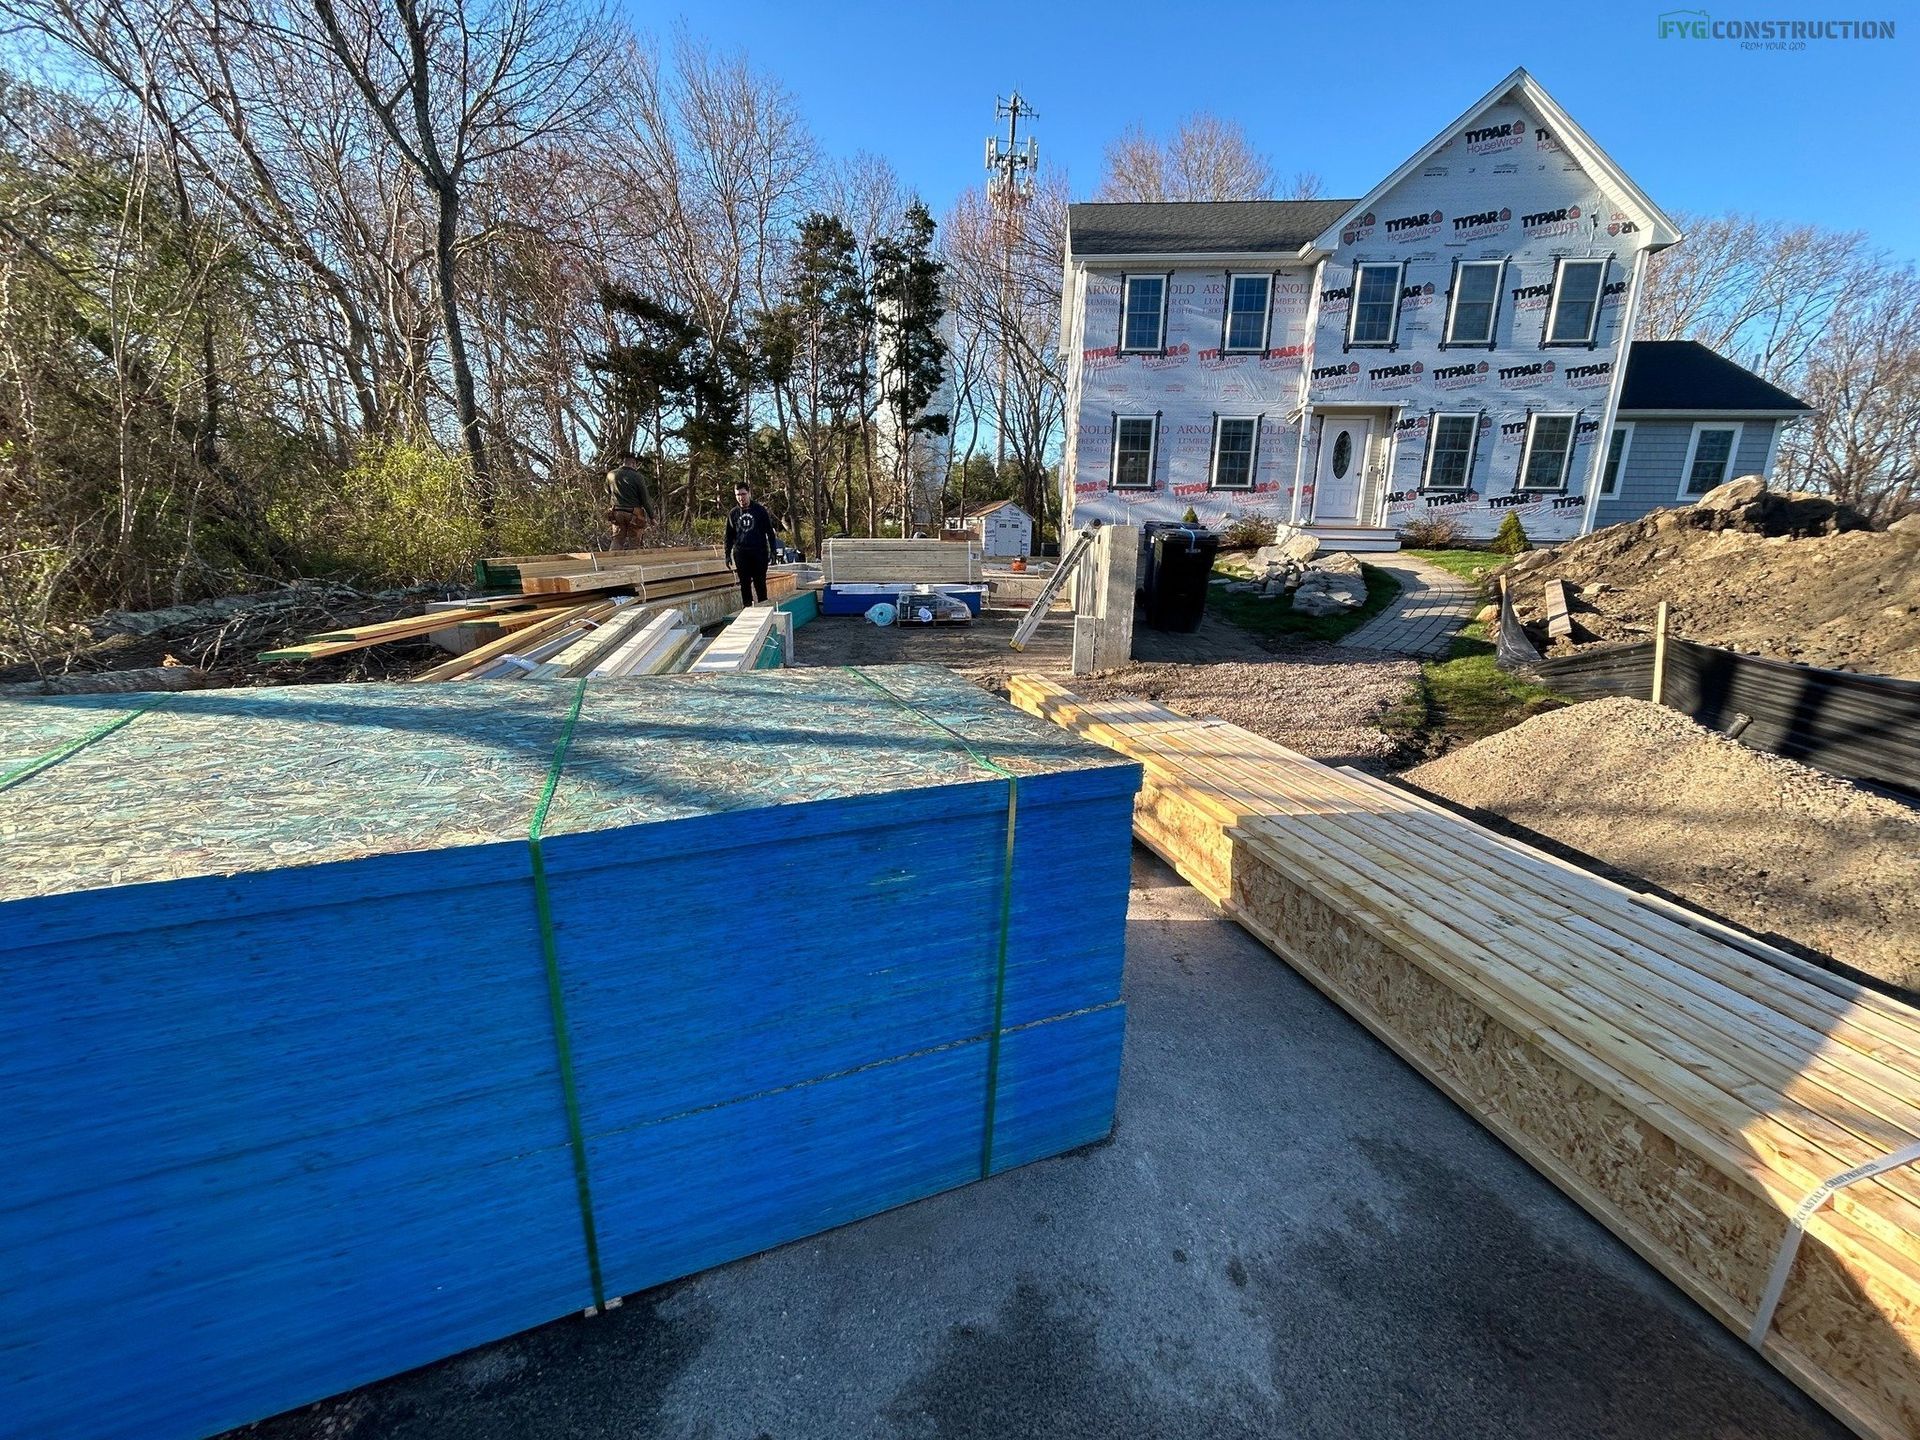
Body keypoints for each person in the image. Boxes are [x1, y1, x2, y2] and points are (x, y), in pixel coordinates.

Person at [724, 481, 779, 605]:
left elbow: (770, 532)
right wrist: (727, 554)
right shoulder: (733, 513)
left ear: (749, 493)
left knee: (760, 584)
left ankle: (764, 610)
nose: (740, 498)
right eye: (737, 495)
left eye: (743, 494)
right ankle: (748, 611)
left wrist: (773, 551)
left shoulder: (759, 510)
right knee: (745, 585)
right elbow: (729, 535)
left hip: (759, 552)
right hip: (741, 553)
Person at [606, 453, 653, 550]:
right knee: (634, 541)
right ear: (633, 464)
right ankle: (634, 563)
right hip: (634, 513)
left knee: (617, 539)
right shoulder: (637, 476)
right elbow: (645, 499)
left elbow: (607, 491)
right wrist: (652, 516)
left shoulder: (611, 474)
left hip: (616, 511)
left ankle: (611, 562)